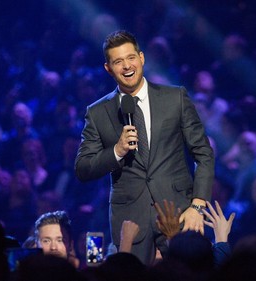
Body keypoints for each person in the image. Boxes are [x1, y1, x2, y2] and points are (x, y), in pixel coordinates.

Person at [75, 30, 215, 265]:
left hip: (179, 213)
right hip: (130, 220)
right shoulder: (97, 112)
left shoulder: (175, 98)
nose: (127, 66)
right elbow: (83, 168)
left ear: (141, 58)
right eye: (118, 61)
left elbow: (204, 154)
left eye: (131, 58)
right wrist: (117, 151)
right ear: (108, 68)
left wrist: (198, 206)